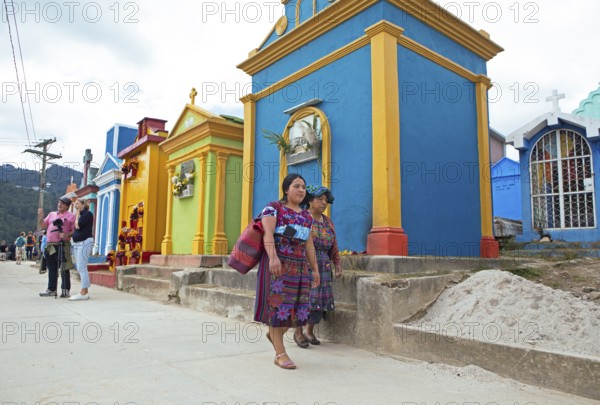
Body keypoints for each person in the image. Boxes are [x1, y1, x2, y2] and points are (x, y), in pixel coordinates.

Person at [255, 173, 320, 370]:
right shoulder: (274, 208)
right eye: (296, 186)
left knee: (297, 310)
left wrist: (315, 270)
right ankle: (280, 354)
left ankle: (274, 336)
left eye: (303, 187)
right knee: (278, 309)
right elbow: (267, 234)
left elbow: (309, 245)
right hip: (278, 266)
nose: (301, 190)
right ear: (286, 189)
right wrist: (273, 258)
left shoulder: (306, 215)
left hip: (299, 268)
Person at [294, 185, 343, 347]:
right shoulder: (301, 218)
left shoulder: (328, 222)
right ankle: (298, 332)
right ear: (310, 201)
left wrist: (337, 264)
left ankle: (310, 331)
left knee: (318, 300)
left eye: (326, 200)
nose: (324, 203)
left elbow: (334, 244)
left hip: (324, 265)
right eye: (319, 199)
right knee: (304, 299)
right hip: (305, 264)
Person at [37, 196, 76, 298]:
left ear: (67, 206)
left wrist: (67, 235)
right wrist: (41, 217)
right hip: (50, 245)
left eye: (62, 203)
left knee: (64, 268)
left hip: (63, 245)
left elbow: (74, 230)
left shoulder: (72, 216)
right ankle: (51, 289)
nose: (59, 205)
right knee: (52, 268)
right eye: (59, 203)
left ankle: (65, 289)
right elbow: (44, 226)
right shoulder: (52, 214)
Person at [70, 198, 94, 301]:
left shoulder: (87, 214)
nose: (76, 206)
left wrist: (76, 215)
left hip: (85, 242)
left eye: (77, 204)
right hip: (78, 243)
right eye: (75, 204)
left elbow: (78, 226)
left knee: (82, 267)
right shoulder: (81, 215)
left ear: (83, 205)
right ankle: (85, 291)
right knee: (79, 267)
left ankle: (83, 292)